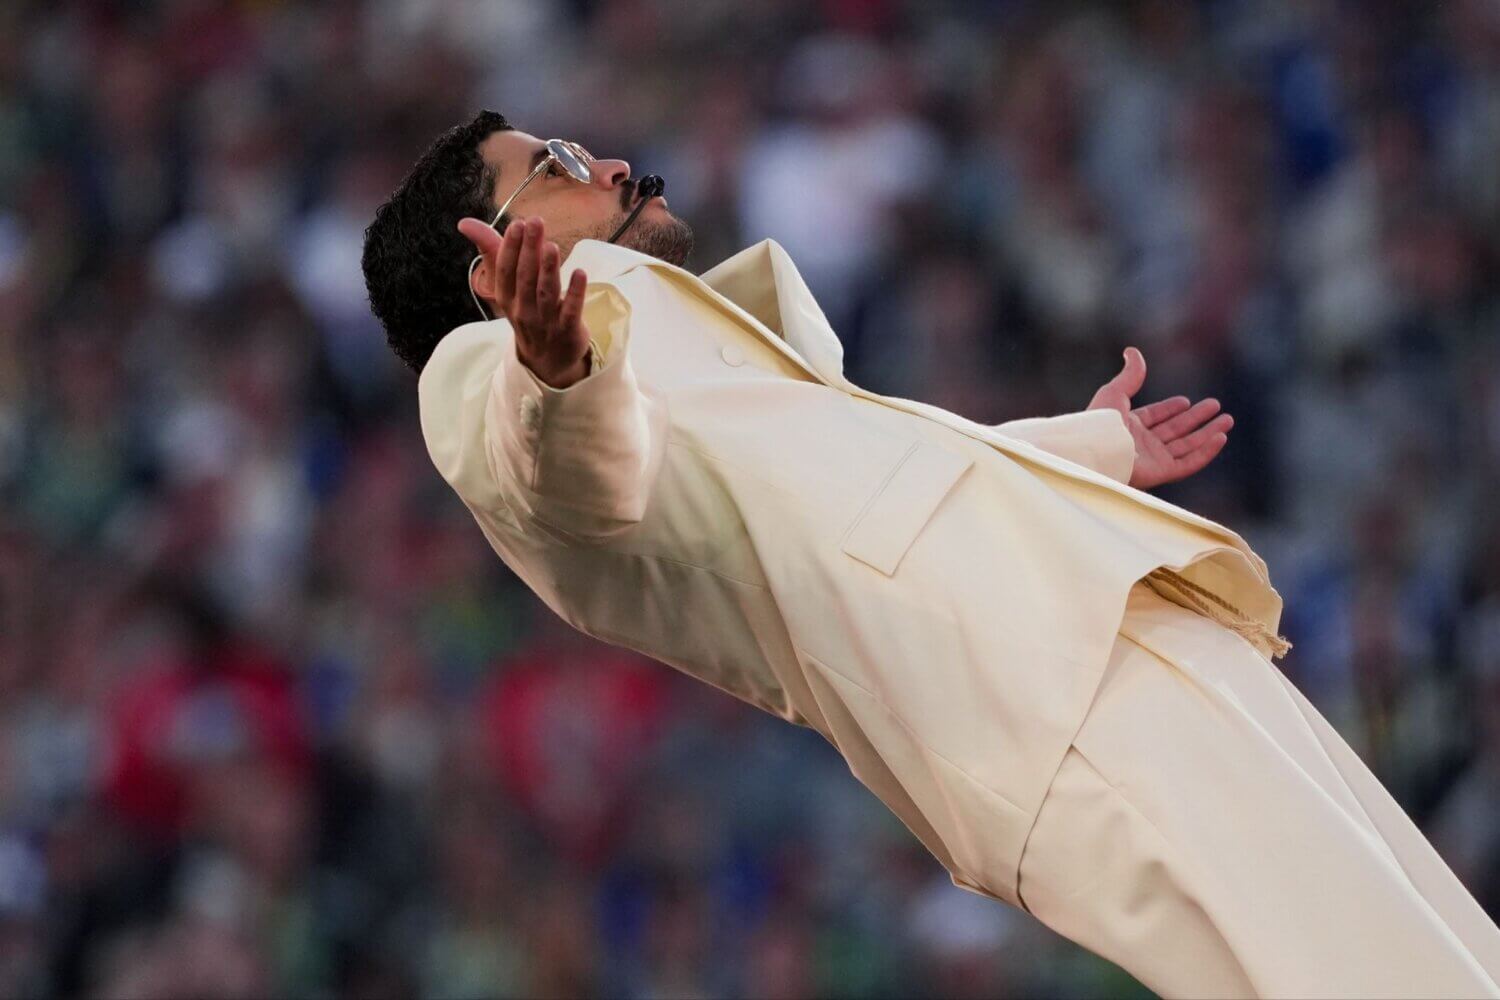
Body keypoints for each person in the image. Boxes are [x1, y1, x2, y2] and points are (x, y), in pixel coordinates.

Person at [361, 109, 1500, 997]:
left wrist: (1087, 444)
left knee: (1436, 948)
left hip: (1095, 622)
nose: (608, 163)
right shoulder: (491, 374)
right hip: (1027, 693)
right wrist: (554, 371)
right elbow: (568, 475)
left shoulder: (674, 339)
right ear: (489, 259)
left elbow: (863, 481)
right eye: (552, 159)